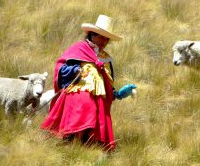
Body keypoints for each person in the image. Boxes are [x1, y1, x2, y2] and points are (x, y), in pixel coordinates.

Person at [41, 14, 136, 151]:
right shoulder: (79, 49)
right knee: (85, 110)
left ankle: (81, 152)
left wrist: (118, 94)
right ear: (92, 34)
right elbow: (61, 69)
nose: (104, 41)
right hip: (79, 91)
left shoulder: (106, 59)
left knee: (92, 136)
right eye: (101, 36)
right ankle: (72, 146)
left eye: (107, 38)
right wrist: (75, 70)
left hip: (99, 98)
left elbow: (106, 84)